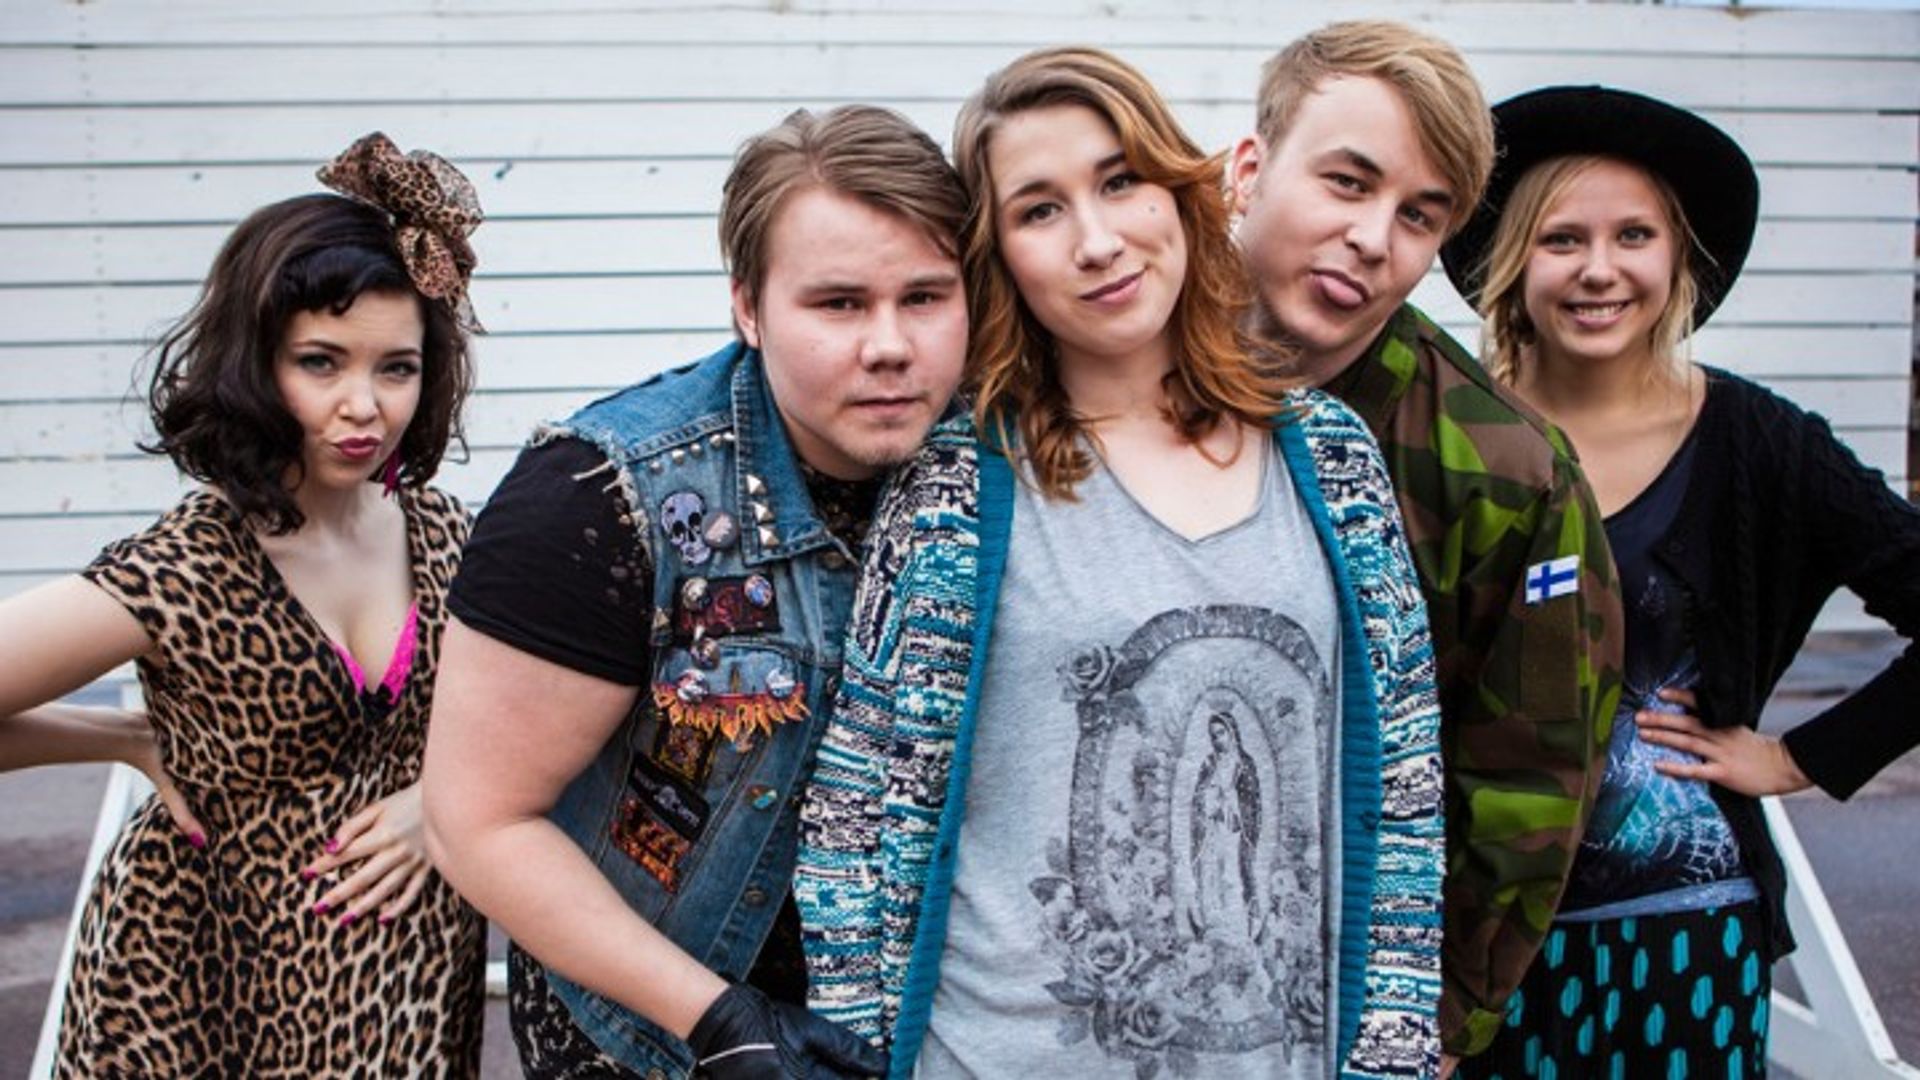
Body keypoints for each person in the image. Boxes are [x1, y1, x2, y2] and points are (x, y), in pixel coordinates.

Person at [793, 47, 1442, 1079]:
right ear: (1000, 255)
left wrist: (1392, 1054)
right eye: (1040, 210)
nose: (1097, 242)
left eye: (1120, 181)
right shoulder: (958, 484)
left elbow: (1404, 794)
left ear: (1180, 192)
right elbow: (853, 812)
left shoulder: (1331, 460)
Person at [420, 104, 968, 1080]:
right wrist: (718, 1021)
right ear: (748, 308)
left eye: (923, 297)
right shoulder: (597, 497)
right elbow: (478, 821)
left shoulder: (999, 469)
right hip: (647, 1040)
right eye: (839, 304)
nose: (889, 345)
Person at [1439, 84, 1920, 1078]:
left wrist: (1797, 758)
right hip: (1475, 942)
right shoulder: (1451, 435)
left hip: (1687, 935)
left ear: (1679, 259)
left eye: (1634, 235)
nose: (1599, 268)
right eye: (1561, 238)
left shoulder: (1757, 441)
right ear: (1511, 260)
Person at [0, 133, 487, 1076]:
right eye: (321, 362)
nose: (365, 405)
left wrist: (441, 803)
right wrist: (123, 739)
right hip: (199, 993)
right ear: (254, 364)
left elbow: (555, 724)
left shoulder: (449, 538)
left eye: (396, 366)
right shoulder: (190, 565)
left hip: (403, 989)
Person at [1227, 21, 1625, 1068]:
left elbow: (1531, 775)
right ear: (1248, 170)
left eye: (1419, 215)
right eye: (1347, 182)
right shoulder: (1108, 357)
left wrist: (1442, 1025)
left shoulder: (1505, 474)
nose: (1373, 238)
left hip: (1333, 988)